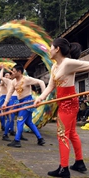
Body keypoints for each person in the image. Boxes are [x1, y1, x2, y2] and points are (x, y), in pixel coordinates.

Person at [34, 38, 87, 177]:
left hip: (69, 102)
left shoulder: (68, 63)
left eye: (51, 47)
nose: (49, 50)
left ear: (57, 49)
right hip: (62, 101)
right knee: (71, 134)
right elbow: (51, 86)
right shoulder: (54, 66)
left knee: (62, 135)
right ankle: (79, 163)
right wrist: (40, 98)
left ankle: (64, 169)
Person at [2, 64, 46, 148]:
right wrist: (5, 103)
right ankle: (40, 139)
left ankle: (17, 140)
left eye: (14, 71)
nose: (12, 73)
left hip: (27, 101)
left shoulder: (26, 79)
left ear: (19, 72)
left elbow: (41, 82)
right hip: (21, 101)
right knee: (28, 122)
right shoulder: (14, 82)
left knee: (20, 120)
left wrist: (43, 96)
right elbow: (9, 93)